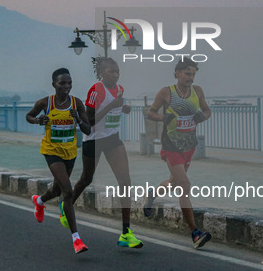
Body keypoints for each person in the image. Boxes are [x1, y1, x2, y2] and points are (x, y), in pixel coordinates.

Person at [68, 57, 143, 249]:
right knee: (86, 179)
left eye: (117, 71)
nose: (116, 75)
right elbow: (88, 121)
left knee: (125, 181)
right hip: (93, 140)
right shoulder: (96, 90)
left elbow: (114, 110)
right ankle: (66, 204)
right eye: (111, 71)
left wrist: (123, 108)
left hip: (112, 139)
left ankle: (126, 233)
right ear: (102, 73)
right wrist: (111, 106)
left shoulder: (119, 90)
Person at [145, 59, 212, 249]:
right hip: (171, 144)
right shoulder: (166, 92)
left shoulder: (197, 91)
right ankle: (195, 233)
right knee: (184, 185)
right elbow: (151, 113)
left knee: (174, 182)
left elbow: (207, 110)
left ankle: (152, 194)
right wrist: (163, 118)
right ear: (177, 73)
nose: (191, 78)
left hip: (189, 145)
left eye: (193, 74)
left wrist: (203, 116)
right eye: (187, 74)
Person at [26, 68, 91, 254]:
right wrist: (38, 120)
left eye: (69, 83)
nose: (67, 86)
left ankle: (39, 201)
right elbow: (28, 116)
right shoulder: (46, 103)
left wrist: (78, 119)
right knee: (68, 192)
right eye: (62, 83)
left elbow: (87, 130)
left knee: (56, 190)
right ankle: (76, 239)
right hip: (51, 151)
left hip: (70, 152)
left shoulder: (76, 103)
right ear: (54, 84)